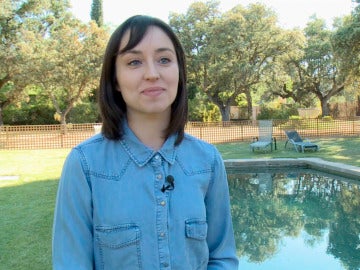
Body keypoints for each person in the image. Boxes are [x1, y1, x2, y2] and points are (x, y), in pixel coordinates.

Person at [52, 15, 239, 269]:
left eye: (164, 59)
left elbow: (222, 257)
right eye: (134, 62)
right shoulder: (85, 165)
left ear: (179, 72)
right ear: (115, 79)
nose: (152, 74)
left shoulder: (208, 161)